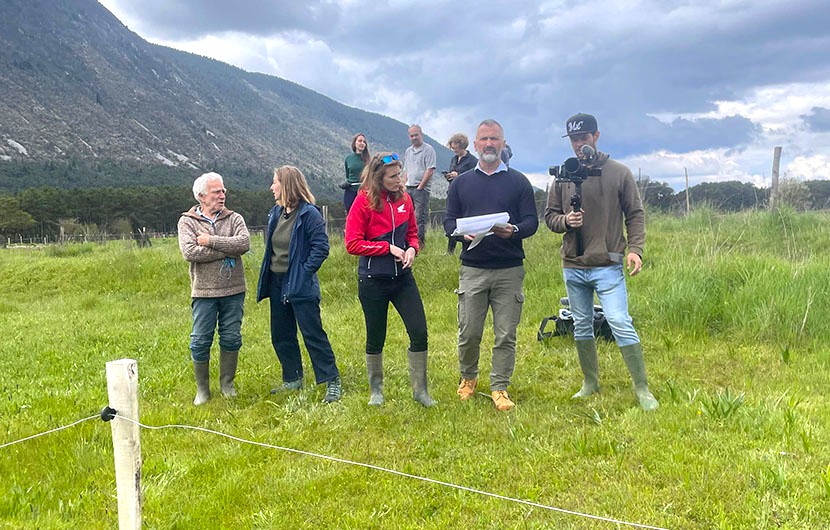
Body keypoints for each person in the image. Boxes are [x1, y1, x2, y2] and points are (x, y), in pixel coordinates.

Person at [544, 112, 659, 411]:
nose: (579, 144)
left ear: (596, 136)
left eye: (584, 138)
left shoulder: (619, 173)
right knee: (581, 325)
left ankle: (642, 388)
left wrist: (636, 249)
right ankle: (590, 382)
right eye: (574, 139)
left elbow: (635, 214)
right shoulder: (562, 176)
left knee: (620, 321)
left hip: (607, 264)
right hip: (573, 264)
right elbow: (550, 218)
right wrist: (566, 221)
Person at [443, 119, 538, 412]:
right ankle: (468, 378)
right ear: (475, 145)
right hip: (473, 267)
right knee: (469, 330)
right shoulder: (461, 183)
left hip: (509, 268)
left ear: (503, 144)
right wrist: (459, 233)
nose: (489, 144)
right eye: (484, 139)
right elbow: (448, 221)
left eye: (494, 139)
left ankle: (499, 387)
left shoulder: (519, 182)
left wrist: (515, 232)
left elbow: (532, 222)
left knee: (505, 332)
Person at [345, 152, 436, 407]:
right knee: (376, 336)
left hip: (403, 279)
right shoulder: (362, 202)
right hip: (373, 280)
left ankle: (420, 391)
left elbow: (413, 234)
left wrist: (411, 249)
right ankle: (376, 391)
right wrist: (386, 248)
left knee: (419, 332)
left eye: (400, 174)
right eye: (393, 176)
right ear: (378, 178)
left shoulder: (406, 199)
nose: (400, 180)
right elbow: (352, 244)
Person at [256, 166, 342, 403]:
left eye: (274, 182)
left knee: (312, 334)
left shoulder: (309, 214)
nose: (271, 187)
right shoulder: (276, 213)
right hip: (276, 282)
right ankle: (292, 378)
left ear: (286, 185)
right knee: (281, 334)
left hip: (300, 284)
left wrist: (303, 273)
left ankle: (331, 380)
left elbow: (321, 248)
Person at [178, 172, 250, 405]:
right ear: (201, 196)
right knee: (200, 340)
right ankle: (203, 390)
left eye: (223, 191)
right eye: (217, 192)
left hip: (234, 290)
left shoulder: (235, 218)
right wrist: (228, 248)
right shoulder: (187, 222)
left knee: (231, 337)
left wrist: (210, 241)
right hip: (204, 292)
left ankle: (227, 385)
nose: (222, 195)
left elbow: (244, 243)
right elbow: (190, 252)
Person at [401, 124, 436, 247]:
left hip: (421, 189)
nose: (414, 137)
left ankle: (419, 244)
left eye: (416, 135)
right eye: (412, 135)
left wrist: (420, 187)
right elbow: (406, 170)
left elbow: (430, 170)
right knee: (405, 216)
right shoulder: (408, 151)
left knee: (419, 218)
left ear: (421, 134)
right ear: (409, 137)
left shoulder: (429, 149)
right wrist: (403, 186)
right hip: (408, 188)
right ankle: (407, 242)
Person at [444, 133, 478, 255]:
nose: (454, 150)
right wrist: (449, 176)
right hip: (453, 192)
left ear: (461, 145)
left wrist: (458, 175)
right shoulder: (453, 159)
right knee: (452, 220)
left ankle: (467, 247)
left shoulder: (473, 161)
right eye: (452, 148)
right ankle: (450, 251)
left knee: (465, 221)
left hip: (467, 195)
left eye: (455, 148)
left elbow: (474, 177)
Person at [343, 133, 370, 213]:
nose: (362, 143)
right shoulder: (348, 158)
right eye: (360, 141)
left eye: (364, 142)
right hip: (350, 191)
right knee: (350, 213)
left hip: (365, 191)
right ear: (354, 143)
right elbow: (348, 175)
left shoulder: (368, 159)